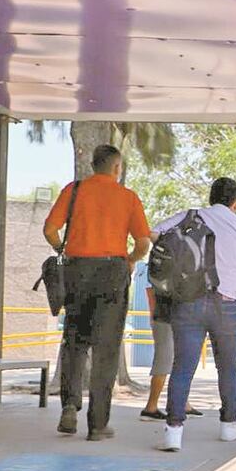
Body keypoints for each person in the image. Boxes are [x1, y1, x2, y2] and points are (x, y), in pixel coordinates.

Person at [44, 145, 151, 441]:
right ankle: (98, 424)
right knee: (106, 349)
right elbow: (143, 242)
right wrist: (130, 260)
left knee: (75, 341)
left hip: (78, 271)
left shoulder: (74, 190)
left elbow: (50, 229)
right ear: (117, 168)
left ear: (93, 165)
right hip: (112, 273)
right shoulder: (127, 197)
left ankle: (69, 405)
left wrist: (62, 250)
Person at [151, 178, 236, 452]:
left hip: (188, 302)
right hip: (226, 305)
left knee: (183, 366)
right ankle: (229, 424)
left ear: (212, 197)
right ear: (235, 203)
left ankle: (173, 431)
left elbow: (153, 234)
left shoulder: (190, 216)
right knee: (227, 366)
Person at [140, 285, 201, 422]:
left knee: (181, 360)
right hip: (166, 316)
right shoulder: (162, 267)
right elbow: (150, 289)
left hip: (174, 316)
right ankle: (151, 407)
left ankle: (183, 403)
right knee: (164, 360)